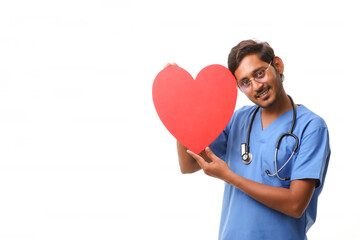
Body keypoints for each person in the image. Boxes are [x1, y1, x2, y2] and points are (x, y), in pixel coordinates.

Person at [176, 39, 330, 240]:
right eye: (245, 83)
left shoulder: (310, 127)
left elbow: (296, 204)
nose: (256, 86)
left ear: (277, 65)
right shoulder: (238, 120)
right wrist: (179, 112)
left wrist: (230, 176)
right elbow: (188, 165)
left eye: (259, 73)